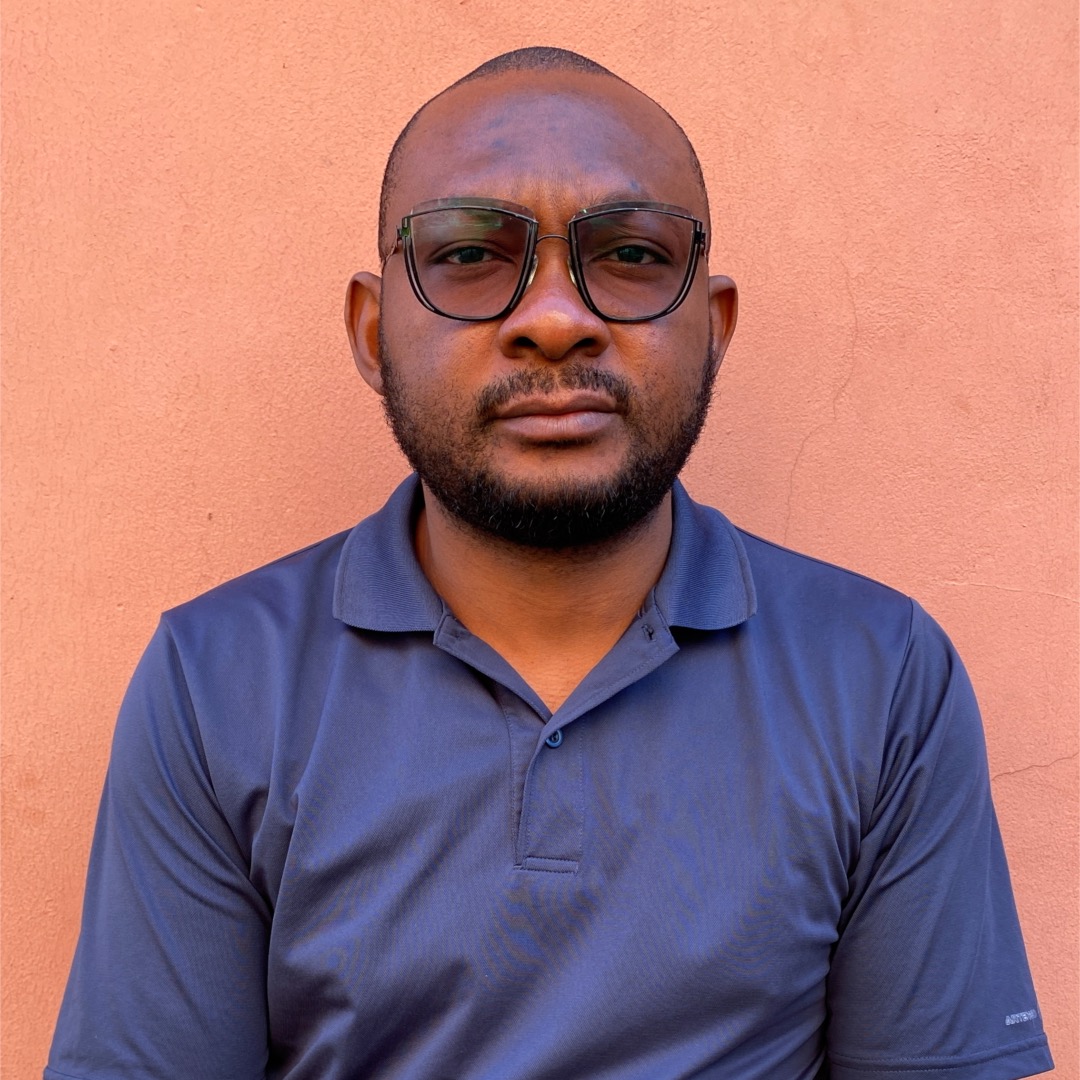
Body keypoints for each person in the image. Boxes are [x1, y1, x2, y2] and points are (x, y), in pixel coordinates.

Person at [47, 48, 1053, 1080]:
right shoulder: (219, 679)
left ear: (712, 329)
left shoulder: (878, 676)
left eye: (629, 255)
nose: (556, 321)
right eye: (472, 253)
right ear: (371, 328)